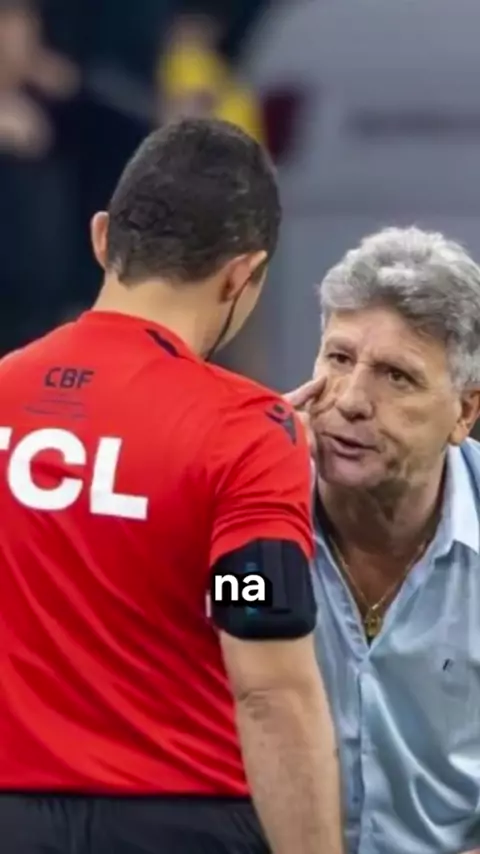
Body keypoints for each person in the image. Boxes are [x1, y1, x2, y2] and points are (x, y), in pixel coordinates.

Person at [0, 118, 343, 854]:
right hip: (186, 826)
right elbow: (268, 684)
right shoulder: (244, 436)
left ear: (102, 238)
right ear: (242, 275)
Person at [289, 226, 480, 854]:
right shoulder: (240, 514)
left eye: (397, 377)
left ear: (465, 412)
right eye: (339, 359)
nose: (349, 401)